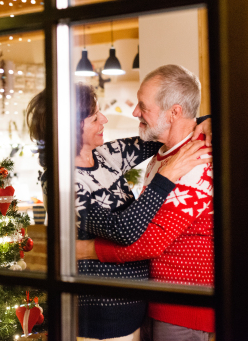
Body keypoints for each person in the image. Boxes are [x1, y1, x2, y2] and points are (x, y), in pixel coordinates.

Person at [26, 83, 212, 341]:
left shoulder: (105, 156)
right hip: (99, 320)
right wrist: (167, 176)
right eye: (94, 117)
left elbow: (167, 131)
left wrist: (207, 121)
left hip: (136, 311)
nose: (104, 119)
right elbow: (124, 231)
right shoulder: (61, 181)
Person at [76, 65, 215, 341]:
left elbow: (150, 240)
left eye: (143, 105)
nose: (135, 112)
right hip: (155, 304)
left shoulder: (198, 162)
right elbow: (139, 223)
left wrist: (84, 250)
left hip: (182, 309)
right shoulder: (162, 157)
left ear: (173, 112)